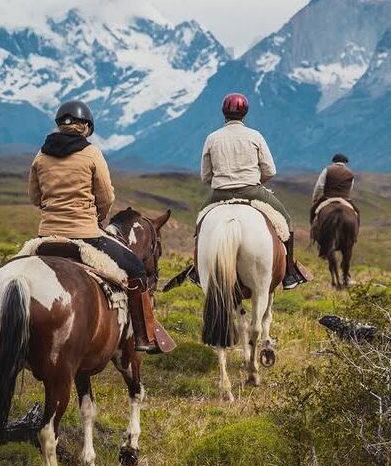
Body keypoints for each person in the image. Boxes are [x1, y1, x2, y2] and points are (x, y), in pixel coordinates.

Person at [28, 99, 171, 353]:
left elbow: (35, 197)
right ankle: (143, 336)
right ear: (86, 127)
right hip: (86, 234)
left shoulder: (41, 155)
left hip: (46, 234)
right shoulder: (91, 153)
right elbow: (106, 196)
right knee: (136, 269)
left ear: (61, 126)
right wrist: (99, 217)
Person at [200, 92, 310, 289]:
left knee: (200, 225)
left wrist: (222, 182)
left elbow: (205, 176)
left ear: (223, 112)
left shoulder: (212, 138)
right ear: (245, 114)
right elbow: (270, 170)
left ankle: (198, 270)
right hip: (252, 191)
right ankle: (290, 273)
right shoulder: (255, 136)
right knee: (285, 220)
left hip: (220, 193)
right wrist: (255, 181)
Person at [310, 153, 359, 224]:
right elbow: (350, 187)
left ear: (334, 161)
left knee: (313, 211)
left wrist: (315, 199)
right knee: (357, 213)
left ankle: (313, 231)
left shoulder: (327, 170)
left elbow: (319, 186)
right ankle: (355, 233)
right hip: (345, 198)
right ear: (345, 162)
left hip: (328, 197)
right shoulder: (350, 173)